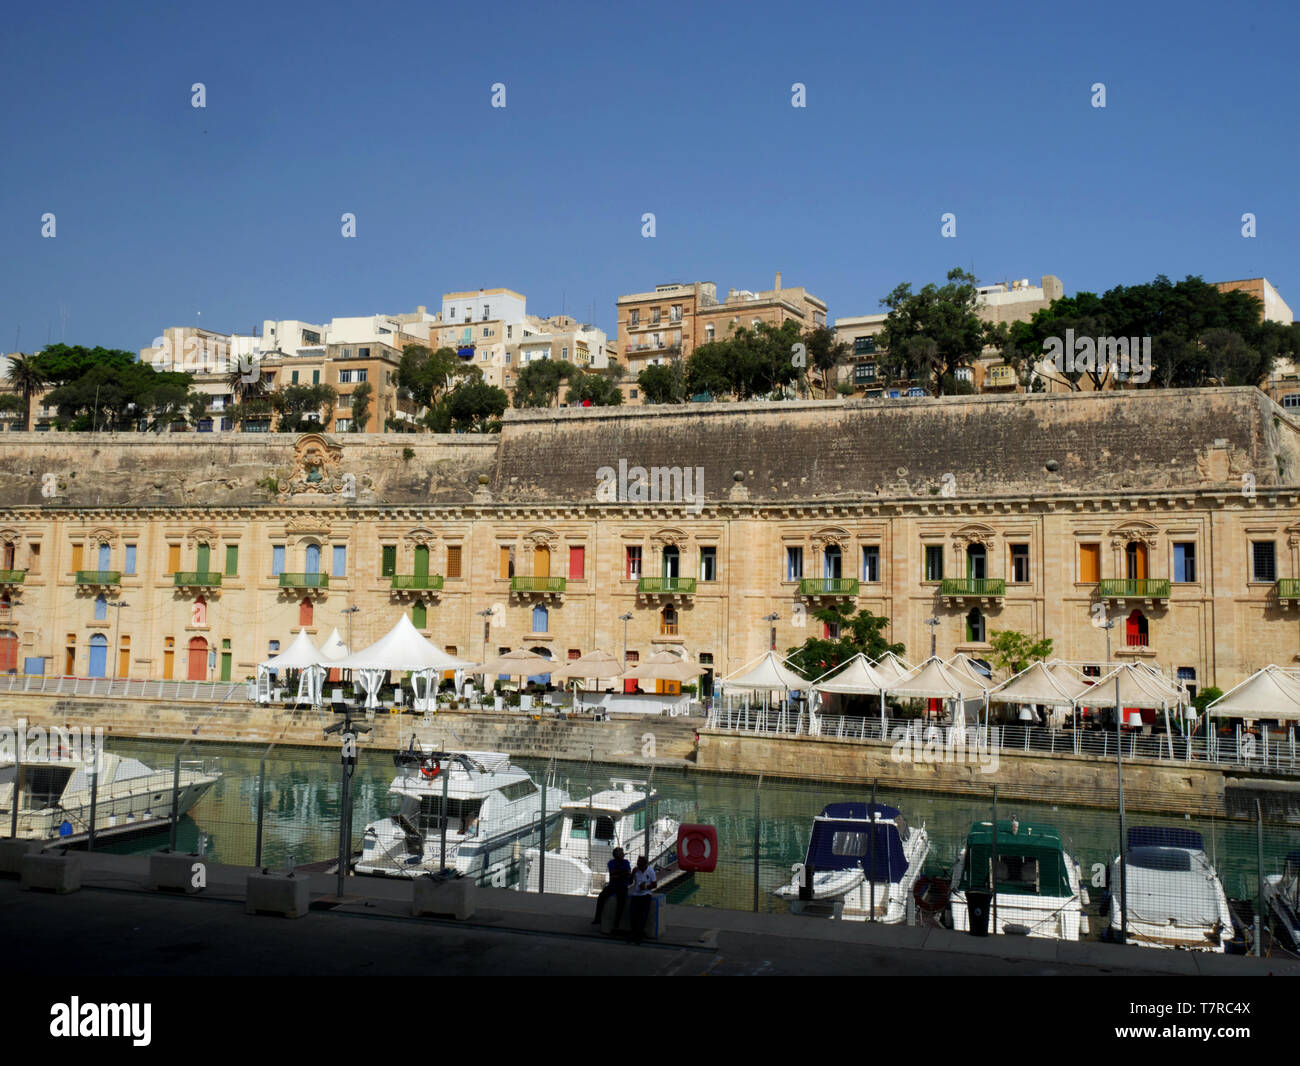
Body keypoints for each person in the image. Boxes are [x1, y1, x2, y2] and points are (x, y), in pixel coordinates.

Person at [592, 846, 631, 930]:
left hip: (622, 886)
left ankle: (616, 923)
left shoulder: (625, 862)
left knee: (621, 904)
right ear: (618, 855)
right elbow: (616, 873)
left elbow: (624, 873)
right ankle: (598, 917)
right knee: (601, 897)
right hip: (613, 886)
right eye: (622, 852)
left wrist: (617, 874)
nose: (623, 853)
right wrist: (622, 873)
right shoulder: (612, 863)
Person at [628, 854, 658, 943]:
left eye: (639, 862)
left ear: (645, 864)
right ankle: (633, 933)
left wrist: (646, 887)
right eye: (637, 862)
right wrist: (632, 873)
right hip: (636, 895)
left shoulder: (650, 871)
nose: (638, 864)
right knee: (633, 914)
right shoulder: (636, 871)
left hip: (645, 895)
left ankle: (639, 935)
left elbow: (654, 884)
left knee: (642, 915)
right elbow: (629, 882)